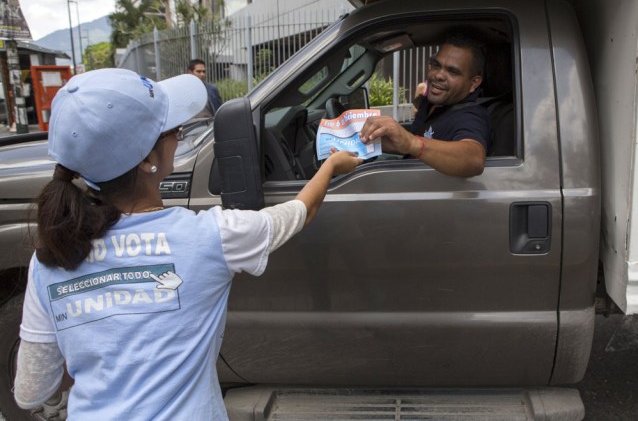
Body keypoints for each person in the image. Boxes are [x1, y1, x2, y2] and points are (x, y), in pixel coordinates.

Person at [13, 68, 362, 420]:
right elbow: (300, 211)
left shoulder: (50, 259)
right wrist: (331, 165)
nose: (179, 135)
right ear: (148, 160)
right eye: (174, 131)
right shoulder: (210, 237)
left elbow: (31, 392)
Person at [360, 32, 491, 177]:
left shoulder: (470, 116)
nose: (438, 75)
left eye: (452, 71)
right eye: (436, 65)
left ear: (474, 83)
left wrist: (412, 143)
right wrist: (382, 142)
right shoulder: (432, 103)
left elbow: (473, 160)